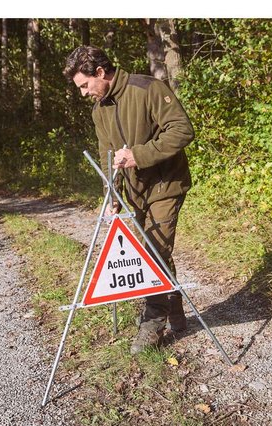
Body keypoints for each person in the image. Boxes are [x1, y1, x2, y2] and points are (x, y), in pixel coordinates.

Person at [64, 45, 195, 355]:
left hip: (166, 183)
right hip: (135, 193)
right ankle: (175, 308)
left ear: (100, 73)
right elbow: (106, 156)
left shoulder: (148, 88)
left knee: (154, 249)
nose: (84, 93)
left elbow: (182, 130)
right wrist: (111, 193)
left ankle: (152, 322)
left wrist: (140, 155)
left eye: (85, 85)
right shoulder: (99, 111)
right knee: (156, 249)